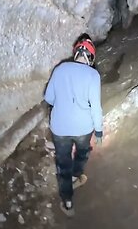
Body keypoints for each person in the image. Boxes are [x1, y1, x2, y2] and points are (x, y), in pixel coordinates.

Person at [44, 33, 104, 217]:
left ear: (76, 52)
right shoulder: (93, 75)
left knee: (63, 163)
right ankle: (76, 175)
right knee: (83, 151)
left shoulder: (60, 69)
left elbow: (49, 98)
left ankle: (68, 202)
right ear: (91, 57)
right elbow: (96, 108)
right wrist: (99, 132)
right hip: (83, 128)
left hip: (60, 129)